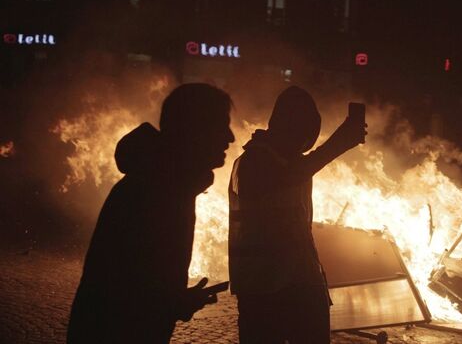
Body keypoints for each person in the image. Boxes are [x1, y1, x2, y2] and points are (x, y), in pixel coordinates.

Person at [67, 83, 235, 343]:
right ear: (194, 130)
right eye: (221, 125)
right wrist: (173, 302)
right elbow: (122, 299)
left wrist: (178, 301)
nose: (230, 137)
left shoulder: (167, 182)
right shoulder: (156, 190)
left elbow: (141, 283)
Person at [228, 86, 366, 344]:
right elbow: (283, 179)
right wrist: (337, 144)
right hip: (263, 287)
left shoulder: (291, 163)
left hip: (298, 282)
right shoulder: (253, 161)